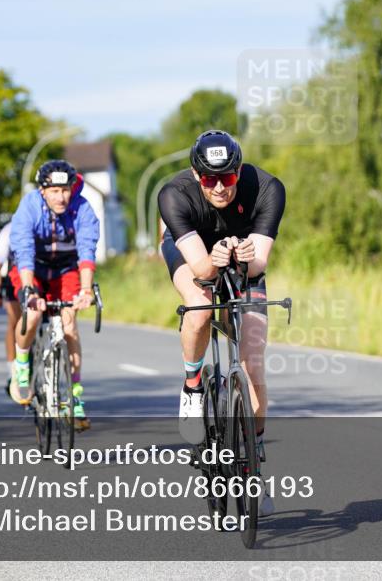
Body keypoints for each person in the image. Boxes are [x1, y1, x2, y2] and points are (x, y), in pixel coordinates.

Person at [157, 129, 285, 516]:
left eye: (227, 177)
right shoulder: (173, 194)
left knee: (253, 357)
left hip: (242, 255)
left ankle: (255, 457)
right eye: (209, 179)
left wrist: (244, 258)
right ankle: (193, 386)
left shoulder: (267, 188)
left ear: (239, 170)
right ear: (196, 175)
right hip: (194, 250)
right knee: (199, 306)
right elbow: (200, 268)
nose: (219, 187)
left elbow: (259, 263)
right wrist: (216, 257)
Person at [9, 160, 98, 430]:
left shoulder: (82, 209)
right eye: (55, 191)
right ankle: (22, 365)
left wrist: (85, 290)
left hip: (66, 269)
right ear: (42, 190)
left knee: (69, 324)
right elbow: (23, 249)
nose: (61, 197)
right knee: (33, 313)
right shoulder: (30, 206)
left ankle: (76, 394)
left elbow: (87, 250)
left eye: (66, 190)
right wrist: (28, 289)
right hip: (32, 267)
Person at [0, 221, 24, 402]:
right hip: (14, 276)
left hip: (41, 273)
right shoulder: (8, 231)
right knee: (14, 322)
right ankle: (12, 370)